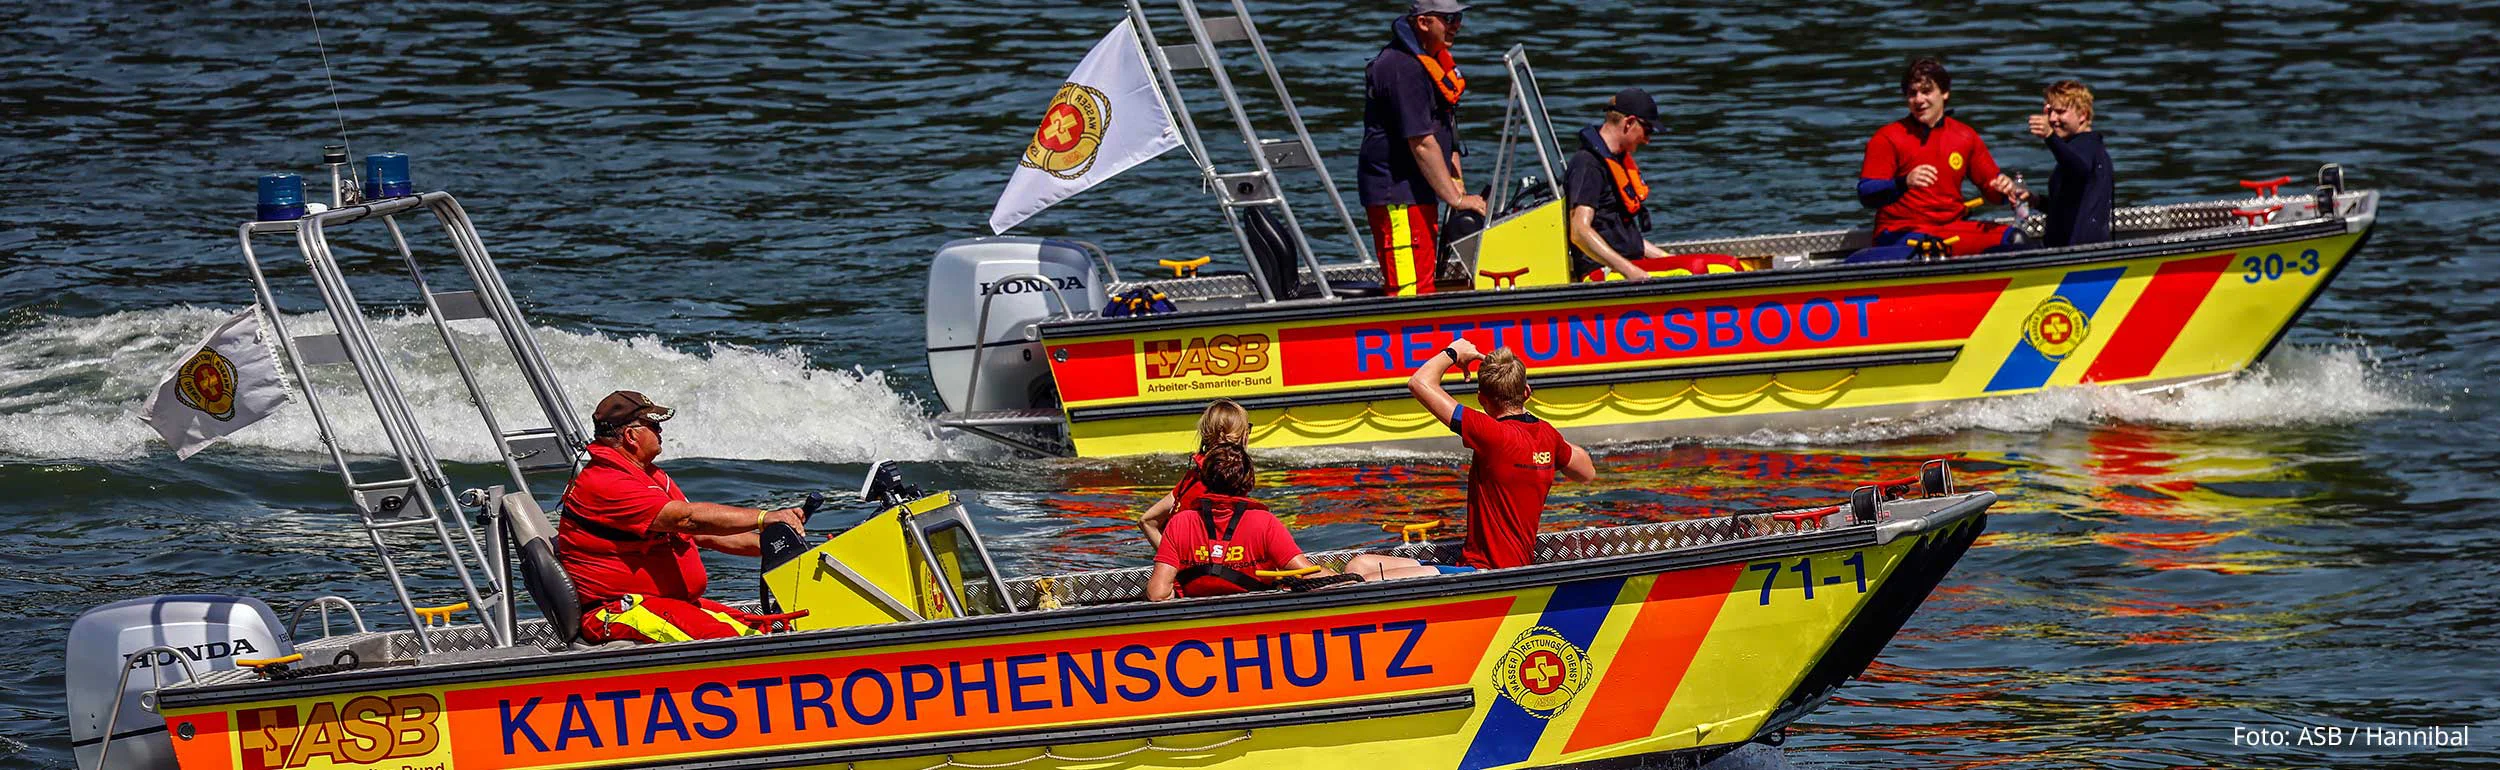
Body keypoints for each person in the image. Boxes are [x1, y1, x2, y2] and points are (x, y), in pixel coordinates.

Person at [557, 391, 808, 643]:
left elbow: (701, 533)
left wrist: (777, 545)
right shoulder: (608, 482)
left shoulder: (648, 475)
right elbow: (687, 520)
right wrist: (765, 517)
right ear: (631, 436)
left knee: (759, 632)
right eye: (654, 425)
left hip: (663, 604)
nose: (660, 432)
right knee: (731, 642)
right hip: (618, 612)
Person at [1344, 338, 1596, 579]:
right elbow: (1586, 473)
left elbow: (1419, 382)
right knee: (1360, 564)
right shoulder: (1548, 437)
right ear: (1527, 392)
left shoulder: (1489, 432)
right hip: (1471, 564)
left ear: (1481, 400)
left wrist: (1453, 352)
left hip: (1488, 573)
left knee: (1367, 579)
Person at [1357, 0, 1485, 297]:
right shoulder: (1402, 68)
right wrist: (1456, 199)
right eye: (1450, 18)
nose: (1457, 25)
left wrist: (1458, 185)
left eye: (1459, 17)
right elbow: (1422, 142)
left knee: (1423, 283)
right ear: (1425, 22)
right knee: (1411, 293)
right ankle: (1412, 343)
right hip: (1398, 196)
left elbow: (1444, 129)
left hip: (1420, 191)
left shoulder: (1431, 60)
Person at [1848, 57, 2030, 263]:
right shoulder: (1887, 137)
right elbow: (1866, 194)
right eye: (1912, 93)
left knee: (2015, 240)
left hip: (1951, 228)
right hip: (1900, 232)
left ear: (1944, 93)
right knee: (1930, 252)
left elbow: (1993, 188)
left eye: (1926, 91)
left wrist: (2003, 189)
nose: (1919, 100)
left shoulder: (1965, 136)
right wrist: (1904, 182)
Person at [1145, 443, 1337, 600]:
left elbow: (1157, 594)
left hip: (1198, 627)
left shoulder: (1180, 522)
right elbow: (1306, 572)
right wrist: (1349, 580)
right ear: (1249, 481)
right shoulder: (1264, 522)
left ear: (1205, 479)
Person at [1564, 88, 1668, 282]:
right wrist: (1630, 272)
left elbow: (1625, 239)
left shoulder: (1616, 161)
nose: (1648, 139)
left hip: (1629, 264)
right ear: (1629, 123)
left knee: (1719, 265)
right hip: (1603, 275)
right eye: (1647, 130)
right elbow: (1579, 231)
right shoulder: (1588, 164)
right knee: (1697, 270)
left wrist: (1668, 259)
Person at [1137, 398, 1250, 548]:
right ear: (1243, 437)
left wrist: (1173, 562)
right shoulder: (1227, 482)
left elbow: (1147, 521)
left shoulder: (1191, 479)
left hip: (1189, 564)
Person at [2027, 80, 2113, 247]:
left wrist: (2050, 136)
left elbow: (2079, 168)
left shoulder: (2087, 146)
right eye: (2050, 112)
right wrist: (2036, 201)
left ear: (2083, 115)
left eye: (2060, 112)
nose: (2052, 119)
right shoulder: (2074, 150)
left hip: (2081, 252)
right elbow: (2068, 205)